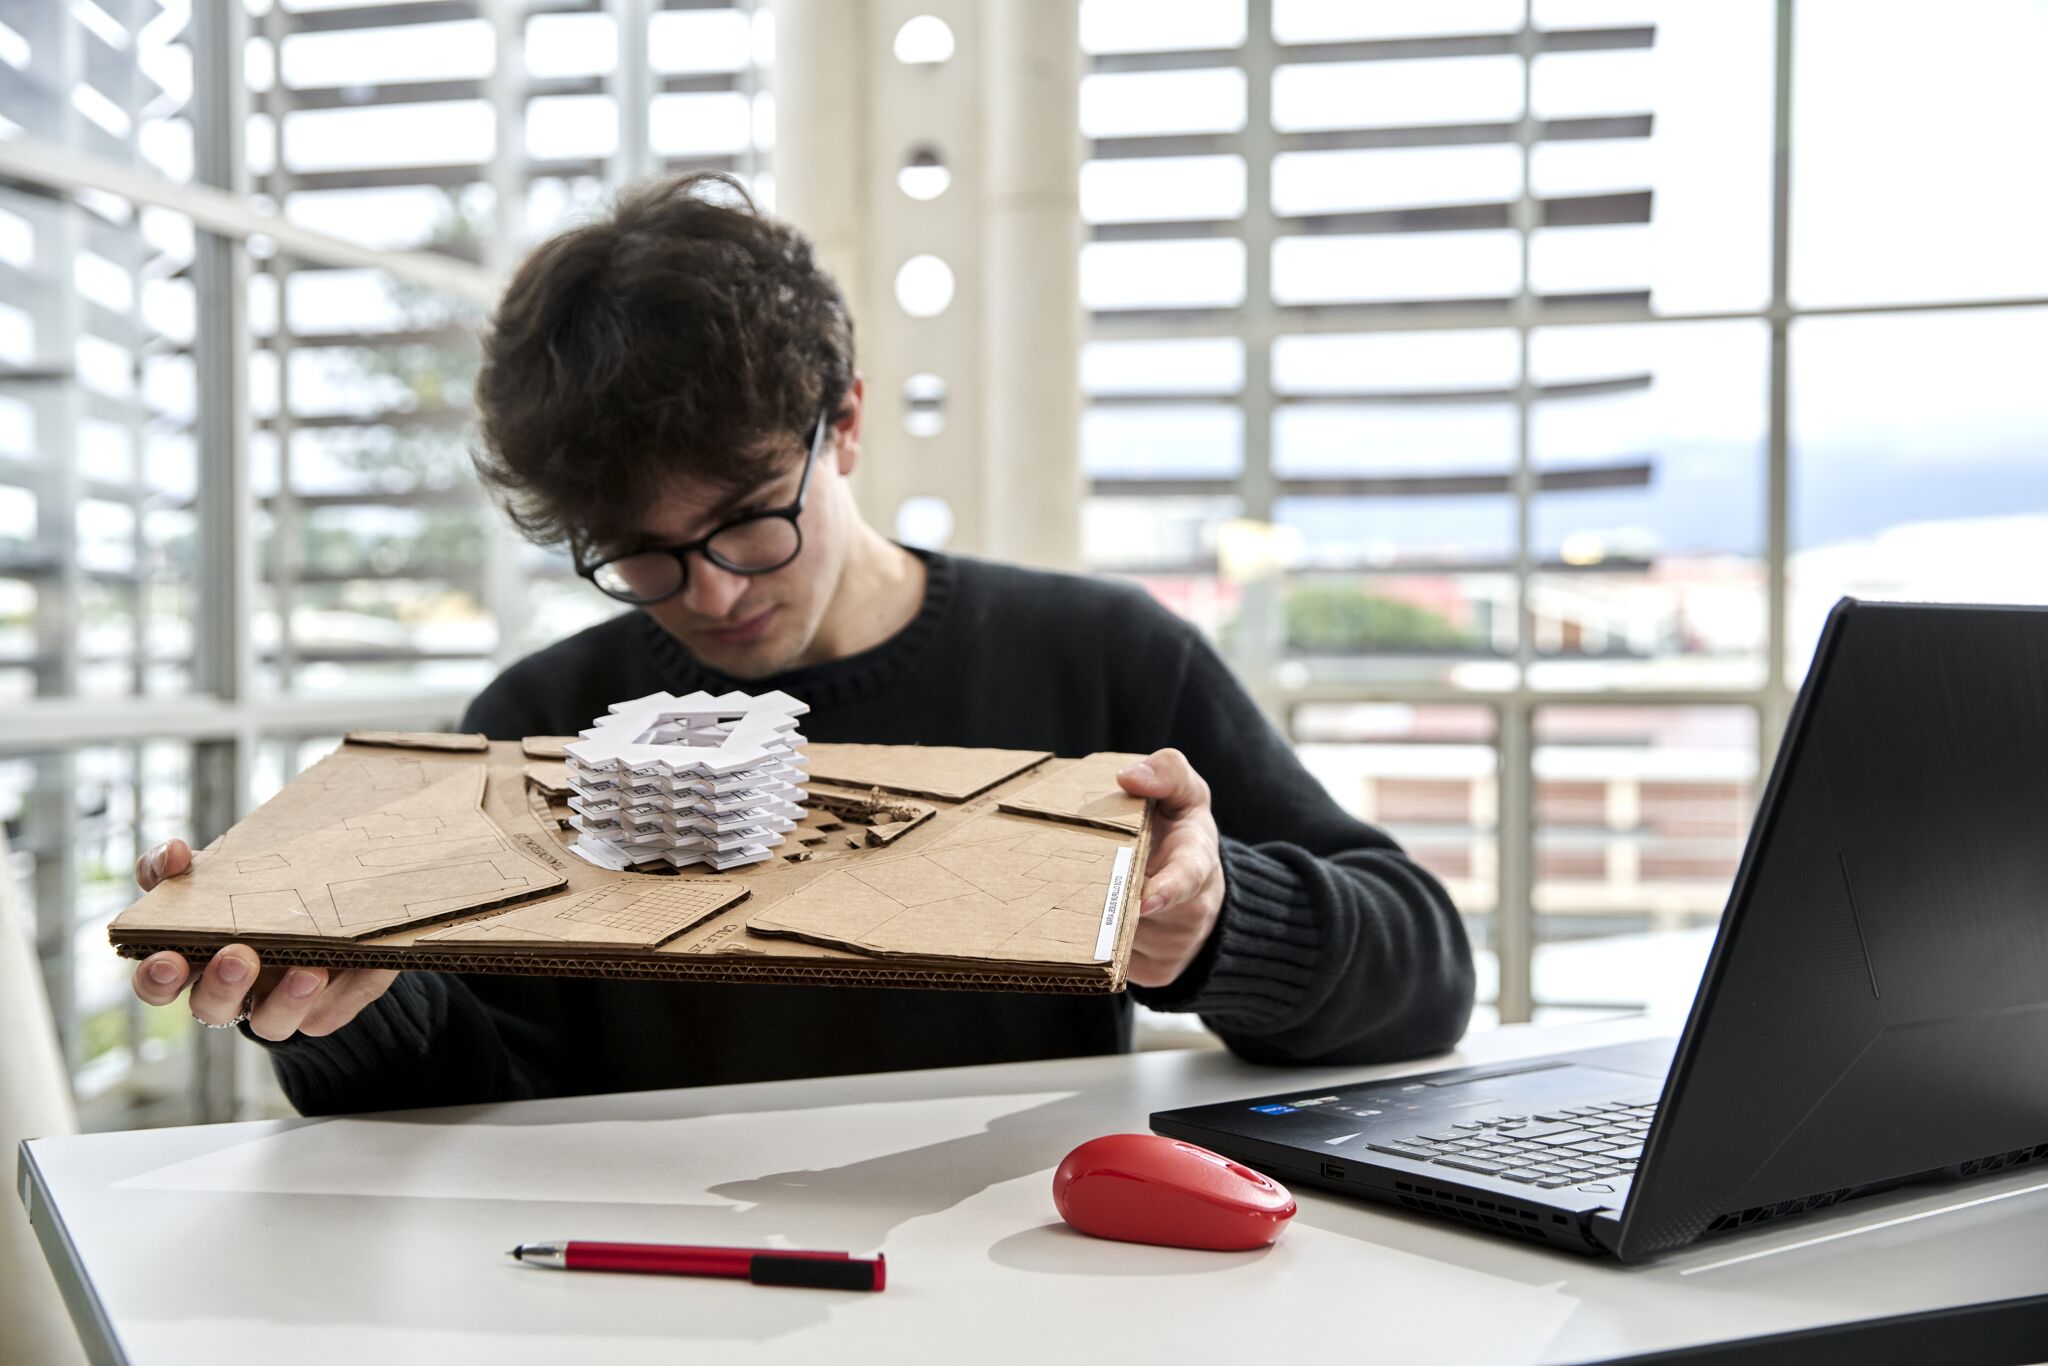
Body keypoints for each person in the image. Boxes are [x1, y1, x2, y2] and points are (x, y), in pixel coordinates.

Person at [131, 175, 1474, 1115]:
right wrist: (346, 1007)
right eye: (639, 555)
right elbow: (471, 1101)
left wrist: (1221, 920)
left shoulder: (1104, 660)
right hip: (624, 1291)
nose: (709, 594)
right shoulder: (532, 724)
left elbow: (1427, 974)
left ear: (843, 424)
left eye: (747, 522)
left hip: (1032, 1280)